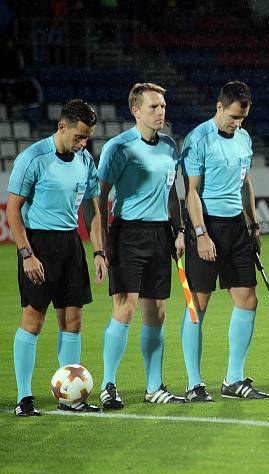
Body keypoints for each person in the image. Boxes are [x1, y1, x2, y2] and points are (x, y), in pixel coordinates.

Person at [7, 99, 105, 416]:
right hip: (39, 245)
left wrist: (99, 251)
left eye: (87, 138)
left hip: (70, 245)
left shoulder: (85, 160)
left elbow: (92, 208)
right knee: (33, 322)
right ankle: (24, 398)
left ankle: (71, 397)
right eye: (78, 136)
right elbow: (12, 210)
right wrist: (27, 255)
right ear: (62, 127)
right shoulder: (33, 158)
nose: (83, 143)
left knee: (73, 322)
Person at [97, 83, 185, 408]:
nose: (160, 112)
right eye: (153, 107)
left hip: (160, 234)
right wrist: (103, 243)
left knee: (157, 313)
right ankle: (108, 384)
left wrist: (178, 231)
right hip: (128, 235)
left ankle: (153, 388)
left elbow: (172, 193)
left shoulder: (168, 146)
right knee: (125, 308)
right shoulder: (119, 148)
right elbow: (99, 196)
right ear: (136, 110)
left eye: (162, 106)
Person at [180, 81, 269, 401]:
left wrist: (255, 224)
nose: (237, 124)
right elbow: (190, 192)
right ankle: (194, 383)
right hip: (207, 226)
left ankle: (233, 379)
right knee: (197, 307)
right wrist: (201, 234)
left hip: (237, 229)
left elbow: (246, 184)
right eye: (232, 117)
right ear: (219, 107)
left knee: (248, 300)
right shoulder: (198, 139)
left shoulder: (244, 139)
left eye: (242, 119)